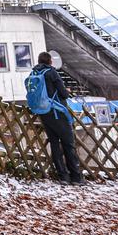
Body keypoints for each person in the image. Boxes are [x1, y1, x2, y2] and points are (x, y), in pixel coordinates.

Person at [31, 52, 85, 185]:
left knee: (54, 144)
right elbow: (64, 94)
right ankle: (76, 177)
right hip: (57, 111)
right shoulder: (52, 73)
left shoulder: (34, 73)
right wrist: (66, 90)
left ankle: (63, 176)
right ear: (50, 61)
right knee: (68, 143)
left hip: (44, 113)